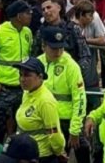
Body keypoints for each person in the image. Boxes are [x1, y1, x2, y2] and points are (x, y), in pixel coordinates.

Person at [0, 0, 33, 141]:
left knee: (21, 125)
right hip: (3, 89)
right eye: (28, 13)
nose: (31, 16)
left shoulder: (27, 32)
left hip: (23, 88)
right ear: (18, 16)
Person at [37, 27, 87, 163]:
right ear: (43, 46)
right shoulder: (37, 64)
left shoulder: (71, 66)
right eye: (53, 48)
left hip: (66, 121)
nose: (58, 52)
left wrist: (75, 129)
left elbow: (80, 99)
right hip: (45, 120)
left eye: (61, 48)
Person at [13, 56, 65, 162]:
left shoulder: (45, 101)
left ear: (40, 77)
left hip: (41, 156)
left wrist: (59, 153)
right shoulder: (27, 93)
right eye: (21, 75)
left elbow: (54, 134)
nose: (22, 79)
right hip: (25, 153)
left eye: (27, 75)